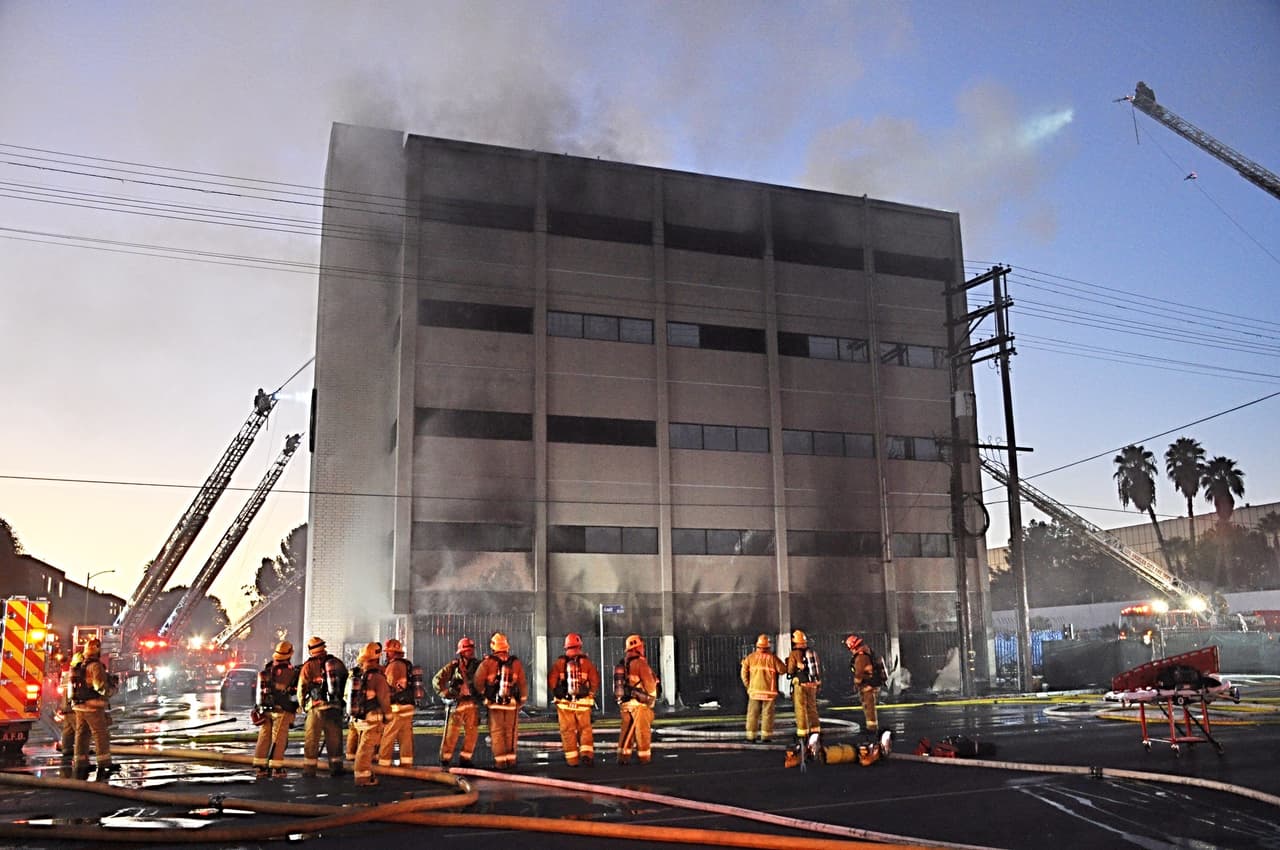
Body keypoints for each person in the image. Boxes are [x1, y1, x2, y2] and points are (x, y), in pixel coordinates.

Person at [473, 632, 527, 770]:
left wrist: (486, 694)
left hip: (494, 704)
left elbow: (477, 682)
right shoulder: (515, 663)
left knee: (497, 732)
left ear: (493, 647)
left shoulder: (487, 663)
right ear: (506, 646)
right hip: (511, 704)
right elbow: (522, 684)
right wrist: (521, 701)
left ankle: (500, 762)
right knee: (511, 731)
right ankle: (511, 760)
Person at [296, 635, 348, 777]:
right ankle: (336, 768)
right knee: (335, 739)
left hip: (316, 707)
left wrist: (303, 705)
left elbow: (302, 687)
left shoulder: (308, 666)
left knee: (312, 739)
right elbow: (345, 681)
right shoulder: (337, 662)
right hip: (334, 707)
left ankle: (309, 770)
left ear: (311, 650)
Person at [548, 632, 601, 767]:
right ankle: (587, 755)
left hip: (565, 705)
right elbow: (595, 681)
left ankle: (572, 760)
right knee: (585, 729)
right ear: (579, 645)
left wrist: (558, 693)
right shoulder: (586, 662)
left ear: (566, 647)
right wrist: (590, 694)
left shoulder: (559, 663)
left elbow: (552, 681)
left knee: (568, 731)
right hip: (583, 704)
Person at [71, 638, 118, 781]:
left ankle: (81, 762)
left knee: (82, 734)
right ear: (97, 649)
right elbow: (99, 686)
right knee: (100, 734)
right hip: (93, 706)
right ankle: (104, 763)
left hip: (78, 706)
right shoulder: (96, 666)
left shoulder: (78, 664)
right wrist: (111, 691)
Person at [253, 640, 300, 778]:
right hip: (281, 710)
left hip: (265, 709)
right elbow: (295, 693)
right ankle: (277, 768)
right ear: (289, 654)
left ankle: (261, 767)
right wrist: (295, 706)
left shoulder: (268, 669)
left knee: (264, 736)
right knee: (278, 738)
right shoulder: (291, 672)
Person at [434, 636, 481, 768]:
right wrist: (446, 694)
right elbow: (437, 680)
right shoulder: (454, 666)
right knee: (451, 733)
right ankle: (445, 759)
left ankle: (465, 759)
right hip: (457, 704)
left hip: (472, 703)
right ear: (461, 651)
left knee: (472, 733)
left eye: (471, 649)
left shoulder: (478, 666)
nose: (470, 652)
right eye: (467, 649)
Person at [351, 642, 391, 787]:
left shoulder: (360, 674)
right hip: (372, 719)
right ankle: (362, 778)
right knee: (366, 749)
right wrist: (388, 716)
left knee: (363, 747)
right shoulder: (377, 678)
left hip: (360, 718)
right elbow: (384, 699)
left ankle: (365, 772)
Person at [615, 633, 658, 765]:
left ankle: (623, 757)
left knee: (626, 730)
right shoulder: (640, 663)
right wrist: (652, 698)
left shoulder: (624, 663)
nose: (643, 649)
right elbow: (649, 684)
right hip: (639, 704)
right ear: (637, 648)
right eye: (641, 647)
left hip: (625, 704)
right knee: (642, 731)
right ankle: (644, 758)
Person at [740, 633, 787, 744]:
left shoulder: (750, 658)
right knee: (768, 715)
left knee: (752, 714)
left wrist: (749, 686)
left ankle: (751, 737)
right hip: (769, 693)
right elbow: (783, 670)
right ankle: (766, 737)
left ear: (757, 646)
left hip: (754, 692)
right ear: (768, 646)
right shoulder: (773, 658)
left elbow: (743, 674)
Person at [377, 638, 417, 768]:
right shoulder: (407, 664)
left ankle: (384, 764)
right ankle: (406, 764)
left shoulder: (394, 665)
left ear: (394, 652)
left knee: (388, 735)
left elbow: (387, 686)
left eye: (388, 652)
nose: (386, 654)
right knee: (405, 737)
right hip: (408, 706)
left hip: (396, 707)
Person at [786, 629, 822, 759]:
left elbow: (790, 670)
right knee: (812, 708)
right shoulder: (812, 652)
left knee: (800, 708)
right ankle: (815, 732)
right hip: (812, 684)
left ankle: (803, 734)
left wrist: (790, 665)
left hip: (801, 685)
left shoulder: (794, 653)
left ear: (795, 642)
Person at [347, 640, 381, 761]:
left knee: (354, 734)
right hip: (369, 712)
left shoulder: (354, 674)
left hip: (354, 710)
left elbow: (347, 693)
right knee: (366, 739)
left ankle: (351, 757)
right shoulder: (376, 674)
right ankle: (367, 760)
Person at [846, 633, 880, 735]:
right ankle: (871, 727)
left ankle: (872, 729)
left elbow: (859, 673)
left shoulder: (861, 656)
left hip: (867, 685)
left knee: (869, 707)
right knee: (869, 707)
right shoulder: (865, 652)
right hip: (868, 684)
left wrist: (856, 684)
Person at [58, 650, 83, 771]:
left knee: (68, 729)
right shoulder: (76, 673)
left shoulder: (67, 673)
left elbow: (62, 690)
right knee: (80, 730)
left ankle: (67, 749)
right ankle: (80, 756)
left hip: (65, 706)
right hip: (73, 706)